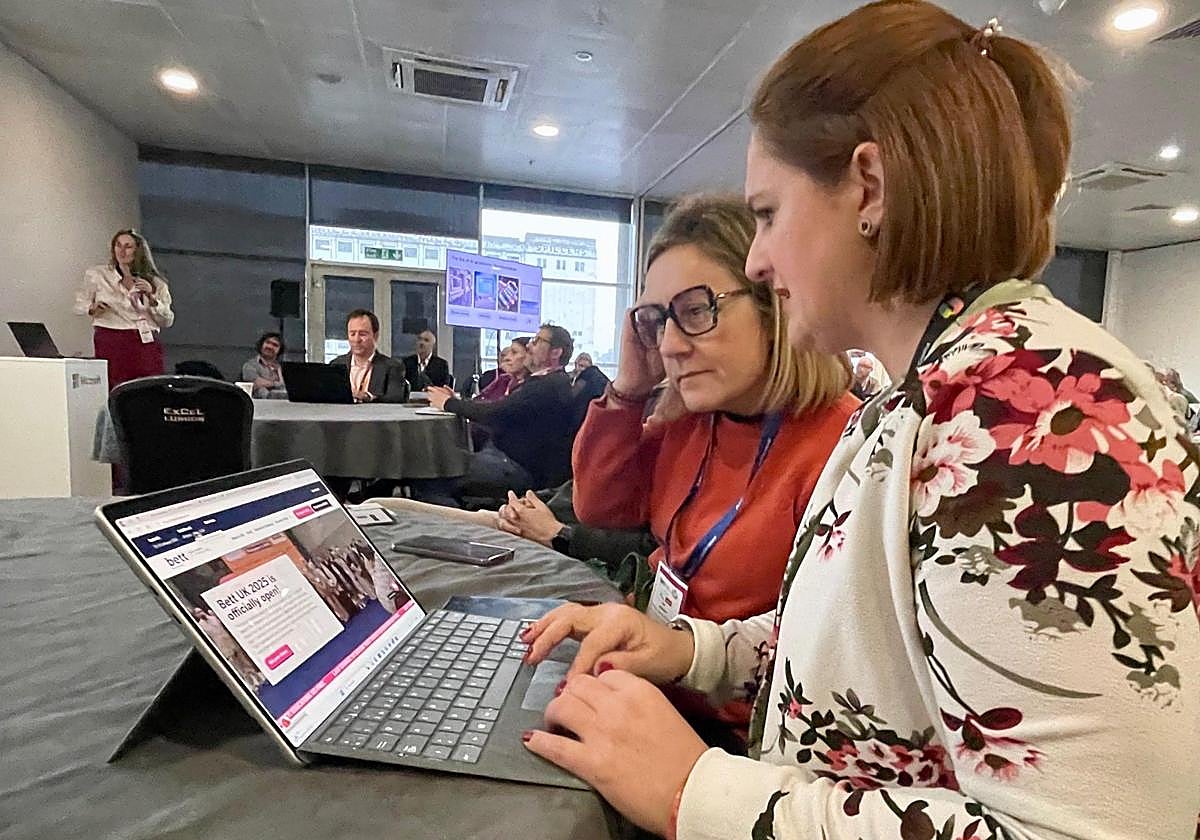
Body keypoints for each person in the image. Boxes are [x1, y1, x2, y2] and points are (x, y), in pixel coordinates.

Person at [518, 4, 1200, 839]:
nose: (761, 261)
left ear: (868, 189)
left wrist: (700, 790)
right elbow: (850, 656)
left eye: (767, 214)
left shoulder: (1037, 410)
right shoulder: (931, 392)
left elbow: (1078, 832)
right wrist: (692, 651)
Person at [427, 324, 575, 496]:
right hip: (502, 456)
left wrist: (448, 403)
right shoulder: (544, 382)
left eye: (536, 341)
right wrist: (456, 402)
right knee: (436, 464)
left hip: (515, 466)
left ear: (556, 352)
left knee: (433, 474)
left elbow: (496, 413)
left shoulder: (549, 386)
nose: (528, 345)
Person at [75, 229, 174, 389]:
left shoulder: (156, 282)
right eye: (118, 245)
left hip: (144, 340)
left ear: (138, 250)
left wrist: (151, 296)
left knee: (149, 386)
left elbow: (167, 320)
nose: (122, 251)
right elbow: (80, 303)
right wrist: (92, 309)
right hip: (111, 337)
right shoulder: (97, 275)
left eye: (128, 246)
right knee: (114, 386)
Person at [328, 309, 409, 403]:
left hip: (374, 416)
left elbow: (395, 399)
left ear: (375, 336)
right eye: (352, 334)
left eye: (362, 334)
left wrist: (367, 397)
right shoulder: (336, 364)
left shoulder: (393, 367)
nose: (356, 339)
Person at [476, 337, 530, 402]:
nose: (506, 358)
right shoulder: (503, 379)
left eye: (514, 352)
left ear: (529, 357)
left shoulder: (533, 387)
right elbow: (479, 400)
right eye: (507, 353)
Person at [241, 331, 286, 398]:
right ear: (261, 345)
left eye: (275, 345)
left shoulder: (282, 368)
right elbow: (256, 383)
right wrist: (278, 384)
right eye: (267, 342)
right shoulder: (250, 365)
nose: (270, 347)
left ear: (279, 350)